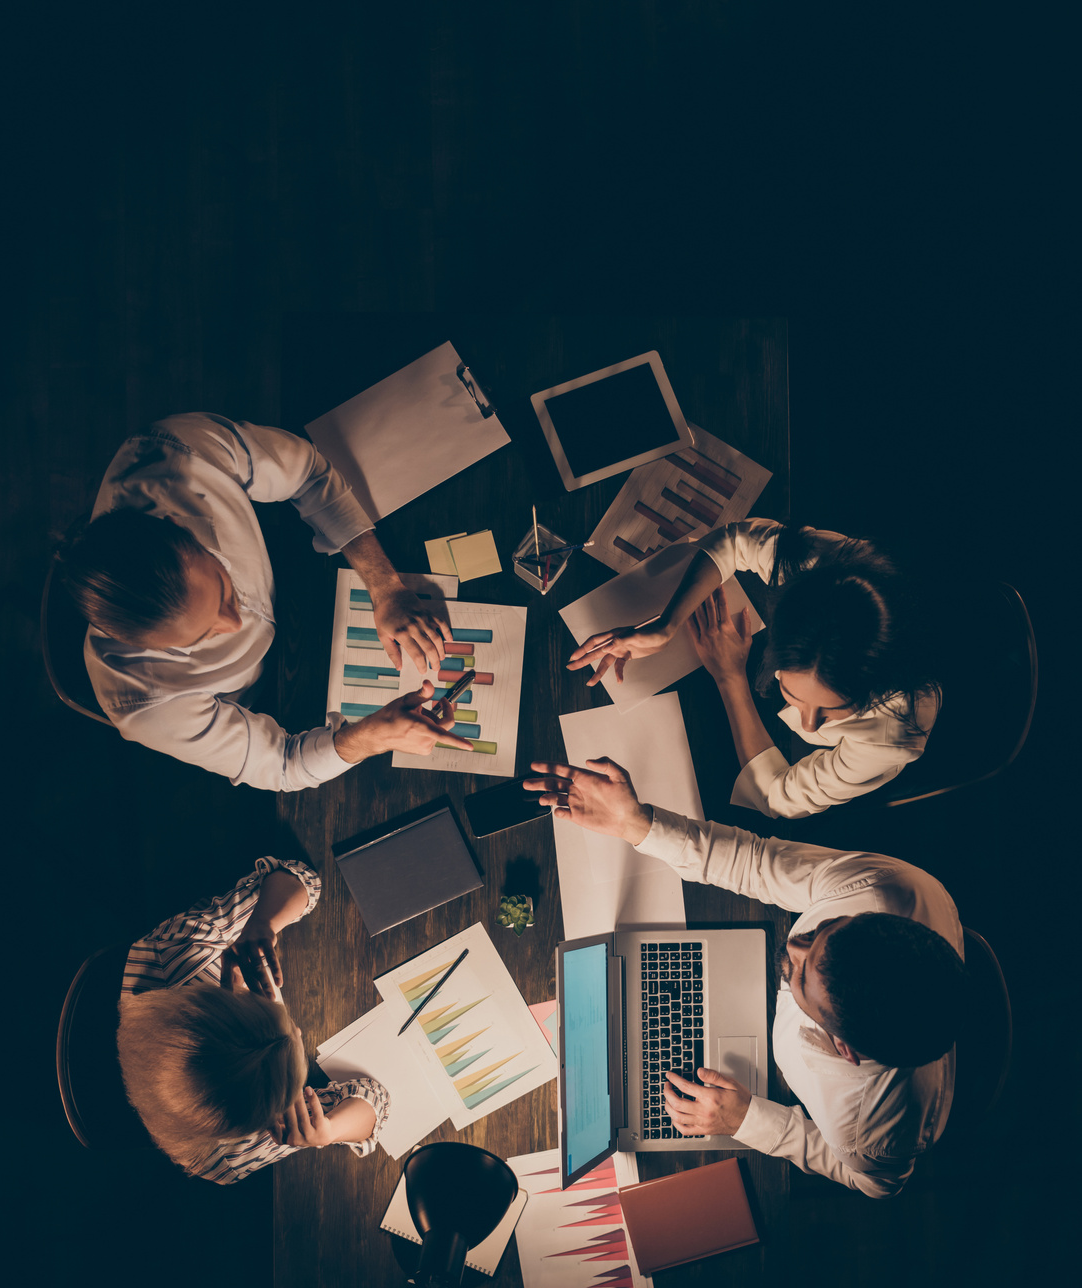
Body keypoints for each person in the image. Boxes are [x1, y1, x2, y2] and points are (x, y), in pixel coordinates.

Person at [525, 757, 968, 1198]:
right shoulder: (882, 888)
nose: (792, 947)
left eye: (801, 977)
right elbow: (758, 864)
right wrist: (637, 823)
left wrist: (748, 1121)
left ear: (845, 1048)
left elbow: (872, 1183)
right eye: (824, 929)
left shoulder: (873, 1130)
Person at [57, 412, 473, 789]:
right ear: (137, 645)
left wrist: (385, 586)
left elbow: (309, 473)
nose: (236, 623)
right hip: (276, 699)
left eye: (223, 588)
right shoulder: (143, 704)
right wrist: (370, 738)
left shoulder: (181, 449)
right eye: (203, 636)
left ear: (176, 526)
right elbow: (282, 765)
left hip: (300, 570)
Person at [566, 519, 941, 817]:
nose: (810, 724)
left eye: (833, 709)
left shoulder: (893, 736)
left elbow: (780, 798)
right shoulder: (823, 566)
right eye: (793, 693)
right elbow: (734, 541)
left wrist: (730, 678)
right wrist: (667, 624)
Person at [117, 855, 388, 1182]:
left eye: (273, 1014)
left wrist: (263, 922)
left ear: (227, 997)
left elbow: (304, 879)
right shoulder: (225, 1156)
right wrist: (328, 1131)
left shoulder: (178, 951)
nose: (299, 1032)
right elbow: (378, 1100)